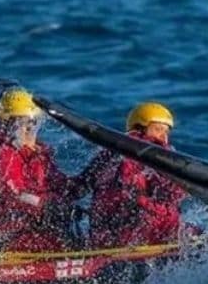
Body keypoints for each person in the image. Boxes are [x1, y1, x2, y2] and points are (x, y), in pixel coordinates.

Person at [0, 89, 73, 252]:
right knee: (64, 245)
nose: (30, 129)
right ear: (8, 124)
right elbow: (16, 194)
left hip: (35, 225)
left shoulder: (36, 153)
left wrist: (90, 177)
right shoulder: (0, 155)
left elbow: (61, 184)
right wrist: (46, 205)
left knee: (72, 238)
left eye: (34, 123)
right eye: (24, 123)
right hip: (11, 233)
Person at [74, 101, 185, 248]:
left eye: (166, 132)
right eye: (158, 129)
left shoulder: (108, 153)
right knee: (201, 237)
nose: (163, 137)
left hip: (106, 236)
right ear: (140, 128)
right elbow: (172, 193)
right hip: (142, 236)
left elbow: (79, 187)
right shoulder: (150, 155)